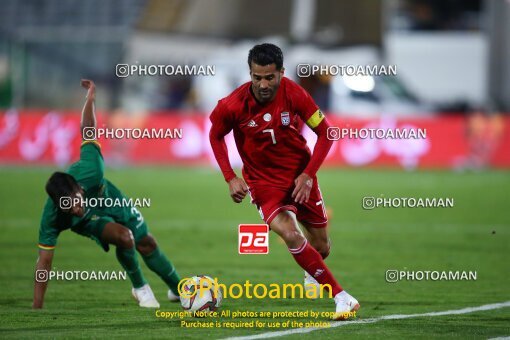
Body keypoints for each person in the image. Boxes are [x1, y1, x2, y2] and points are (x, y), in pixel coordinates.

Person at [209, 43, 359, 320]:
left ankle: (311, 266)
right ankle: (342, 297)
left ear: (281, 73)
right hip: (264, 183)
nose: (263, 84)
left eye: (270, 77)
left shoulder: (296, 94)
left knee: (321, 246)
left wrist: (308, 175)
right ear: (250, 74)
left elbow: (327, 134)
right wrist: (230, 177)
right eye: (257, 77)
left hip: (300, 177)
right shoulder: (232, 105)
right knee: (291, 234)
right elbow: (215, 135)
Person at [33, 79, 181, 309]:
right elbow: (44, 263)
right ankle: (140, 288)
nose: (75, 209)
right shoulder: (52, 217)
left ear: (78, 188)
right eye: (68, 208)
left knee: (146, 242)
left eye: (76, 202)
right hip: (88, 222)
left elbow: (88, 128)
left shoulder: (91, 169)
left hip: (112, 199)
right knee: (125, 237)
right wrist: (37, 305)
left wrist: (90, 99)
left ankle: (179, 289)